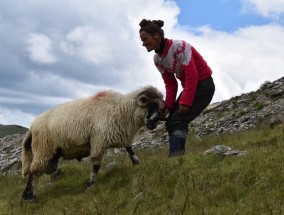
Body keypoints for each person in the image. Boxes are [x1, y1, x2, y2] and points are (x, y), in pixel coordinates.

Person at [139, 19, 215, 157]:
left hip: (203, 85)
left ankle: (175, 158)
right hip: (191, 88)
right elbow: (170, 84)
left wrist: (185, 102)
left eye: (145, 39)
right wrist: (168, 106)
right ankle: (178, 158)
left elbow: (192, 75)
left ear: (156, 36)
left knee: (178, 119)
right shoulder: (158, 59)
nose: (143, 43)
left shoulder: (180, 47)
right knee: (171, 122)